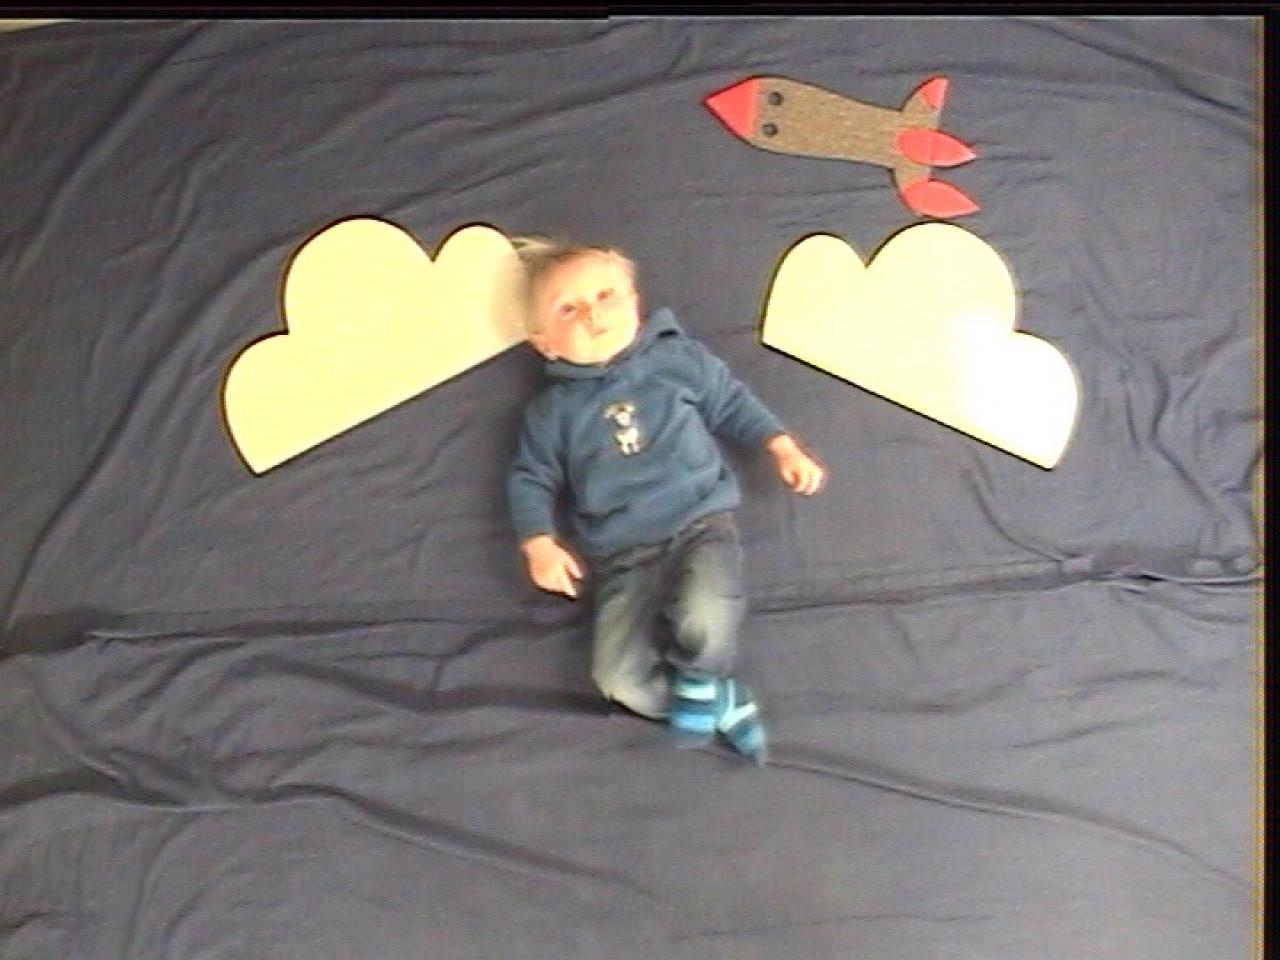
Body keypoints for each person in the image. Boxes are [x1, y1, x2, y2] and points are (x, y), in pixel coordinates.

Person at [506, 237, 826, 764]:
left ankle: (700, 680)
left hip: (698, 524)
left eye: (605, 295)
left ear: (636, 302)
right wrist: (537, 542)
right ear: (544, 344)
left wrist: (781, 446)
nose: (592, 314)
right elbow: (530, 477)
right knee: (616, 680)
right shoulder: (551, 411)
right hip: (622, 556)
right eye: (568, 309)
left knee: (704, 615)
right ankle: (719, 700)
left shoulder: (676, 360)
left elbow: (731, 403)